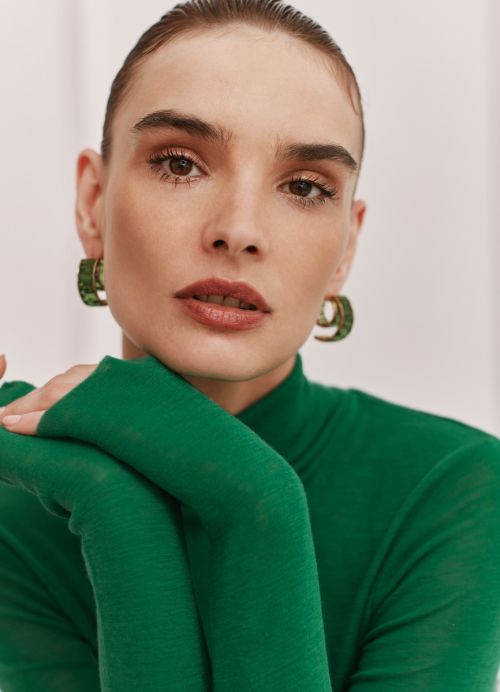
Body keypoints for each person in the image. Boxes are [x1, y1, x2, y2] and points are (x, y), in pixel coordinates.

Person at [1, 0, 500, 690]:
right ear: (92, 202)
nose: (238, 230)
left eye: (304, 187)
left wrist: (254, 502)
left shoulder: (452, 486)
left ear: (345, 248)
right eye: (180, 164)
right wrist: (117, 508)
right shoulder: (16, 519)